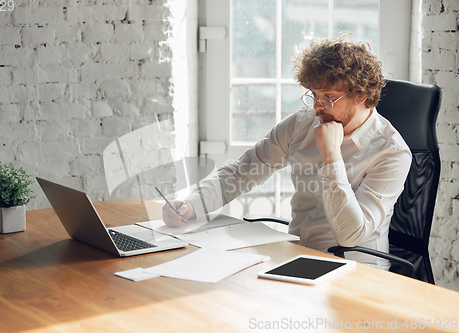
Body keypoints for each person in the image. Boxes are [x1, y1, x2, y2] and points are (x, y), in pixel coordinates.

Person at [161, 36, 412, 269]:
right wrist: (192, 204)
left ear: (362, 95)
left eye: (328, 97)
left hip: (357, 273)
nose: (316, 106)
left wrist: (331, 156)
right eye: (313, 94)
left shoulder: (392, 153)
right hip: (299, 257)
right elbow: (243, 171)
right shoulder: (302, 122)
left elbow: (350, 235)